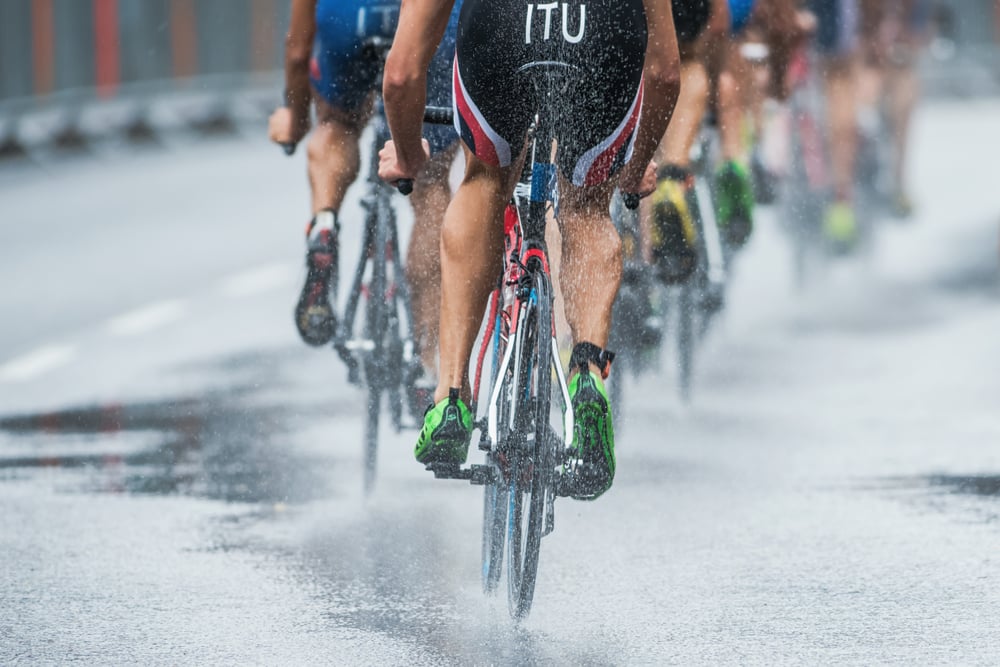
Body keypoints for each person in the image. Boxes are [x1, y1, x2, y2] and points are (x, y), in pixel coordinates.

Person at [378, 0, 681, 499]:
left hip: (500, 28)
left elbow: (401, 75)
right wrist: (635, 164)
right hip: (601, 30)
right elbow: (667, 73)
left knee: (484, 181)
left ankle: (451, 396)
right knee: (584, 210)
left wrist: (409, 156)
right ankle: (585, 372)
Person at [268, 0, 461, 393]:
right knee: (430, 188)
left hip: (347, 17)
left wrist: (295, 115)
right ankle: (425, 365)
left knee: (336, 125)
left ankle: (323, 223)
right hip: (426, 21)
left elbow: (298, 47)